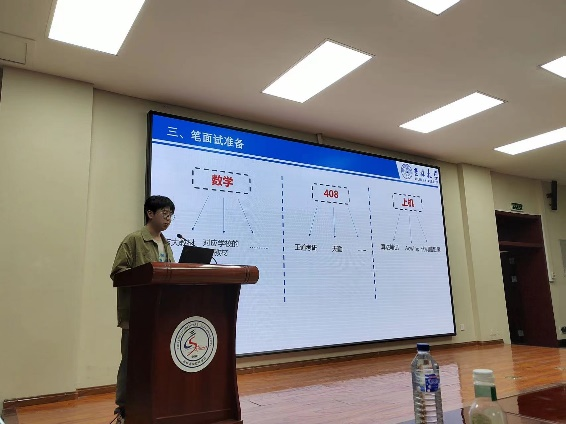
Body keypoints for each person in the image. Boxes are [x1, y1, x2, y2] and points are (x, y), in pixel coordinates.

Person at [110, 195, 176, 423]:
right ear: (150, 213)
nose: (168, 219)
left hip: (161, 316)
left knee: (157, 362)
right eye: (164, 214)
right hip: (136, 315)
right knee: (131, 363)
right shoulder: (134, 240)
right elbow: (118, 273)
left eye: (171, 215)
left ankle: (153, 406)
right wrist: (145, 276)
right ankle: (124, 410)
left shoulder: (166, 243)